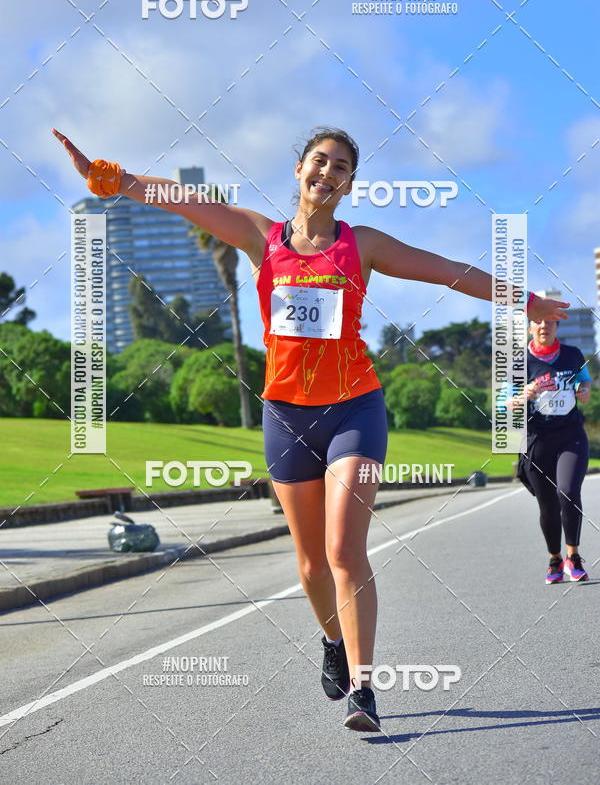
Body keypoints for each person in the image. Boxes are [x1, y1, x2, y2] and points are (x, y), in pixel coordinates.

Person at [52, 125, 568, 731]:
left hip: (356, 409)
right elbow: (182, 199)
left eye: (342, 167)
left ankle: (364, 690)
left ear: (350, 185)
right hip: (285, 415)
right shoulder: (259, 237)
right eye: (319, 161)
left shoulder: (363, 244)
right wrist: (111, 179)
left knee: (344, 551)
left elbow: (445, 270)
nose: (328, 172)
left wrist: (524, 300)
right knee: (309, 567)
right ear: (300, 169)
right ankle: (332, 643)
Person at [505, 318, 591, 584]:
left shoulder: (572, 355)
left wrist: (583, 389)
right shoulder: (519, 362)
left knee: (567, 491)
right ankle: (554, 558)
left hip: (570, 435)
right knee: (548, 505)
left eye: (549, 321)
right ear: (530, 327)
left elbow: (584, 381)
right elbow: (505, 403)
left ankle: (573, 556)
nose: (544, 326)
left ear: (557, 326)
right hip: (538, 440)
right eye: (537, 321)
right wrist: (524, 395)